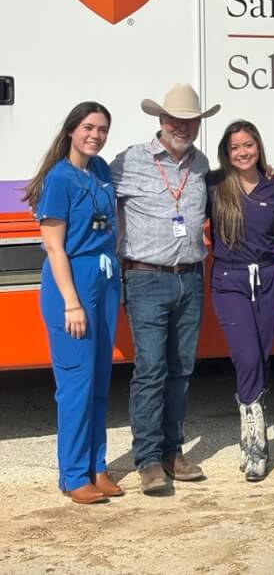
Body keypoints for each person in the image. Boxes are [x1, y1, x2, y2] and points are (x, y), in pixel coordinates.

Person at [110, 84, 220, 495]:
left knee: (181, 370)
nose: (183, 126)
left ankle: (174, 452)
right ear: (160, 120)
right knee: (151, 370)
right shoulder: (129, 162)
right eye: (175, 119)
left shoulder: (201, 163)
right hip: (145, 278)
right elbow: (97, 197)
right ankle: (148, 459)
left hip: (190, 277)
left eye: (190, 120)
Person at [24, 102, 122, 504]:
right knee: (76, 384)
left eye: (101, 129)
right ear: (71, 130)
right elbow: (54, 247)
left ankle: (97, 466)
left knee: (100, 379)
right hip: (73, 284)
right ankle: (72, 474)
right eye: (88, 127)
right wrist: (71, 303)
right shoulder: (58, 179)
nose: (95, 135)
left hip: (104, 278)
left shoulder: (98, 171)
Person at [207, 120, 274, 482]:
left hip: (268, 277)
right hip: (229, 279)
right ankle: (255, 443)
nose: (243, 152)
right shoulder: (214, 185)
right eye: (236, 146)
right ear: (227, 150)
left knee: (263, 354)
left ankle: (252, 419)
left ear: (259, 146)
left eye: (249, 145)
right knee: (247, 355)